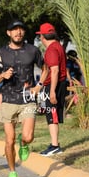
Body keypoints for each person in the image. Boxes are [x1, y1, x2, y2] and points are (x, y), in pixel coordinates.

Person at [0, 19, 46, 177]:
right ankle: (12, 173)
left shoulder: (33, 50)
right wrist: (3, 76)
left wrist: (39, 86)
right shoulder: (0, 53)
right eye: (14, 30)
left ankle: (24, 144)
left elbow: (46, 69)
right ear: (9, 33)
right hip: (7, 100)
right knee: (9, 140)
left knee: (28, 136)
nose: (18, 32)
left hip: (27, 99)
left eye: (21, 29)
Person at [36, 23, 67, 156]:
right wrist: (39, 85)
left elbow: (54, 71)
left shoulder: (51, 50)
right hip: (55, 84)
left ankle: (55, 146)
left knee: (52, 114)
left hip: (55, 85)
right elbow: (47, 70)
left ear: (43, 37)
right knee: (50, 113)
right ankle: (54, 144)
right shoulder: (58, 46)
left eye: (40, 36)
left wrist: (52, 91)